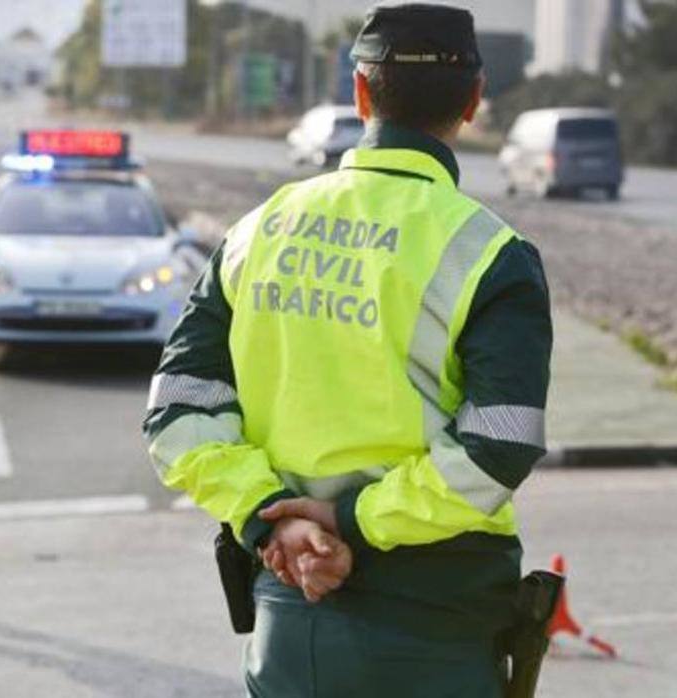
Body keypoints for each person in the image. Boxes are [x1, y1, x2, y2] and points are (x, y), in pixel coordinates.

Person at [143, 5, 552, 696]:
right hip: (438, 625)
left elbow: (178, 415)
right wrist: (354, 522)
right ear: (474, 102)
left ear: (361, 91)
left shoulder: (259, 230)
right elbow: (499, 447)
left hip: (290, 615)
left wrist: (270, 518)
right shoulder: (492, 255)